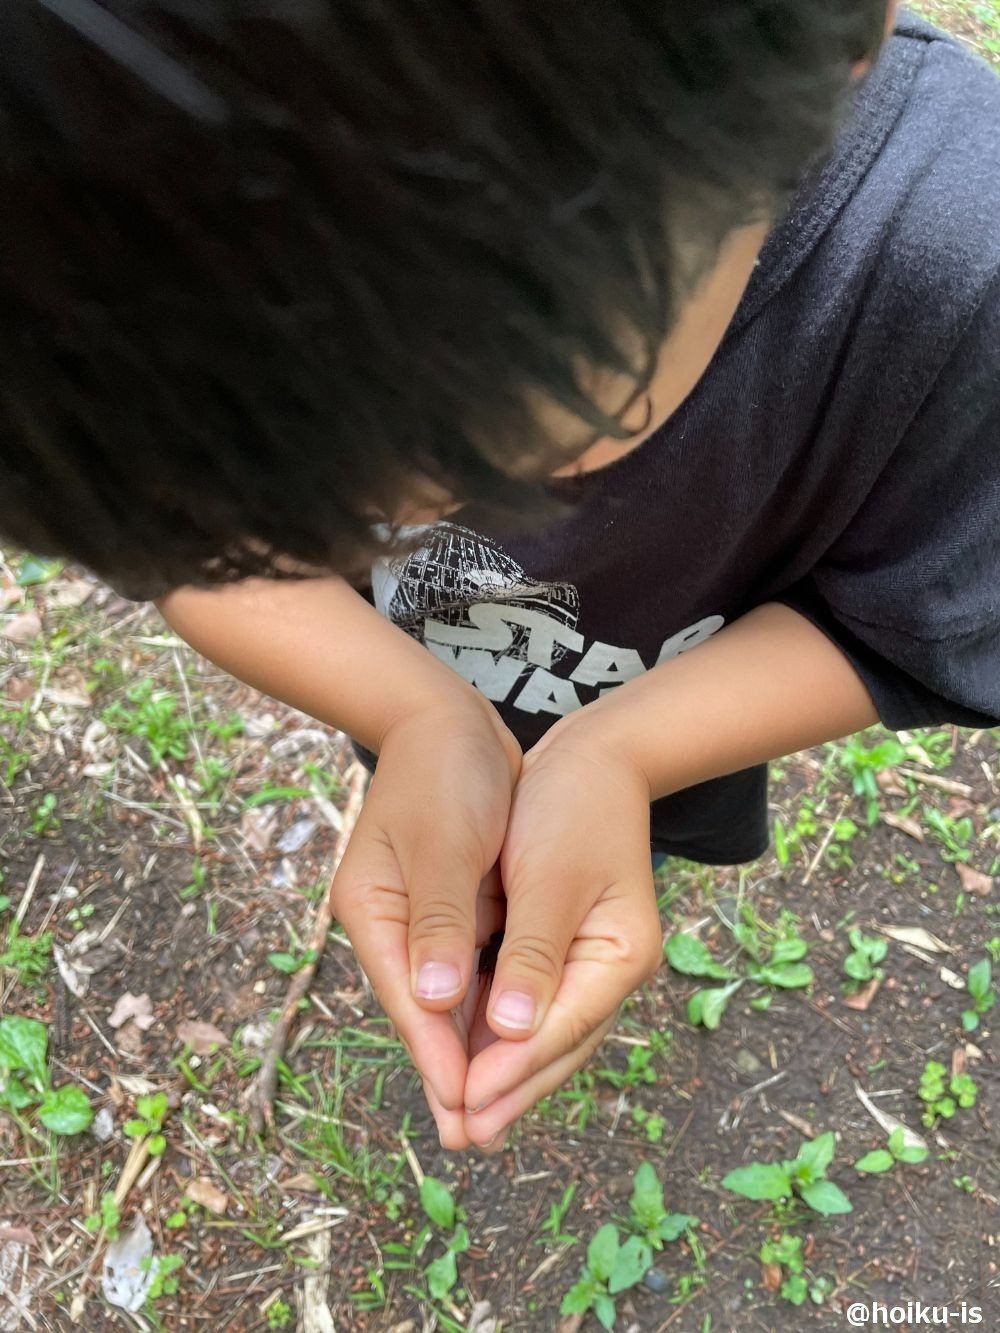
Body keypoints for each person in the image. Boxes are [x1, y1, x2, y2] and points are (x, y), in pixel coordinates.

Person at [1, 1, 998, 1152]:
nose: (369, 540)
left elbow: (906, 622)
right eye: (274, 515)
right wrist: (415, 711)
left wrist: (620, 750)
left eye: (502, 458)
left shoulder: (954, 265)